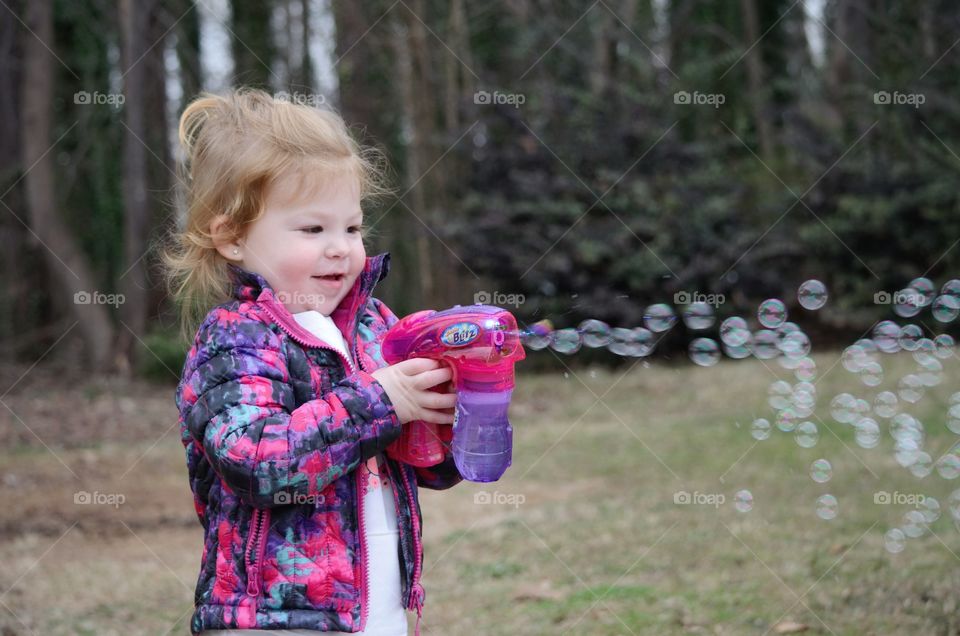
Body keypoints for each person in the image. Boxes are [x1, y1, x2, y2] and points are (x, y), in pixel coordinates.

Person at [164, 88, 462, 636]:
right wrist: (382, 401)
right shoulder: (237, 338)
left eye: (351, 228)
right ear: (231, 236)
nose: (340, 248)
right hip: (275, 617)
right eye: (312, 229)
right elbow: (256, 461)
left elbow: (428, 467)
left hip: (377, 611)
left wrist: (452, 415)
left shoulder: (376, 328)